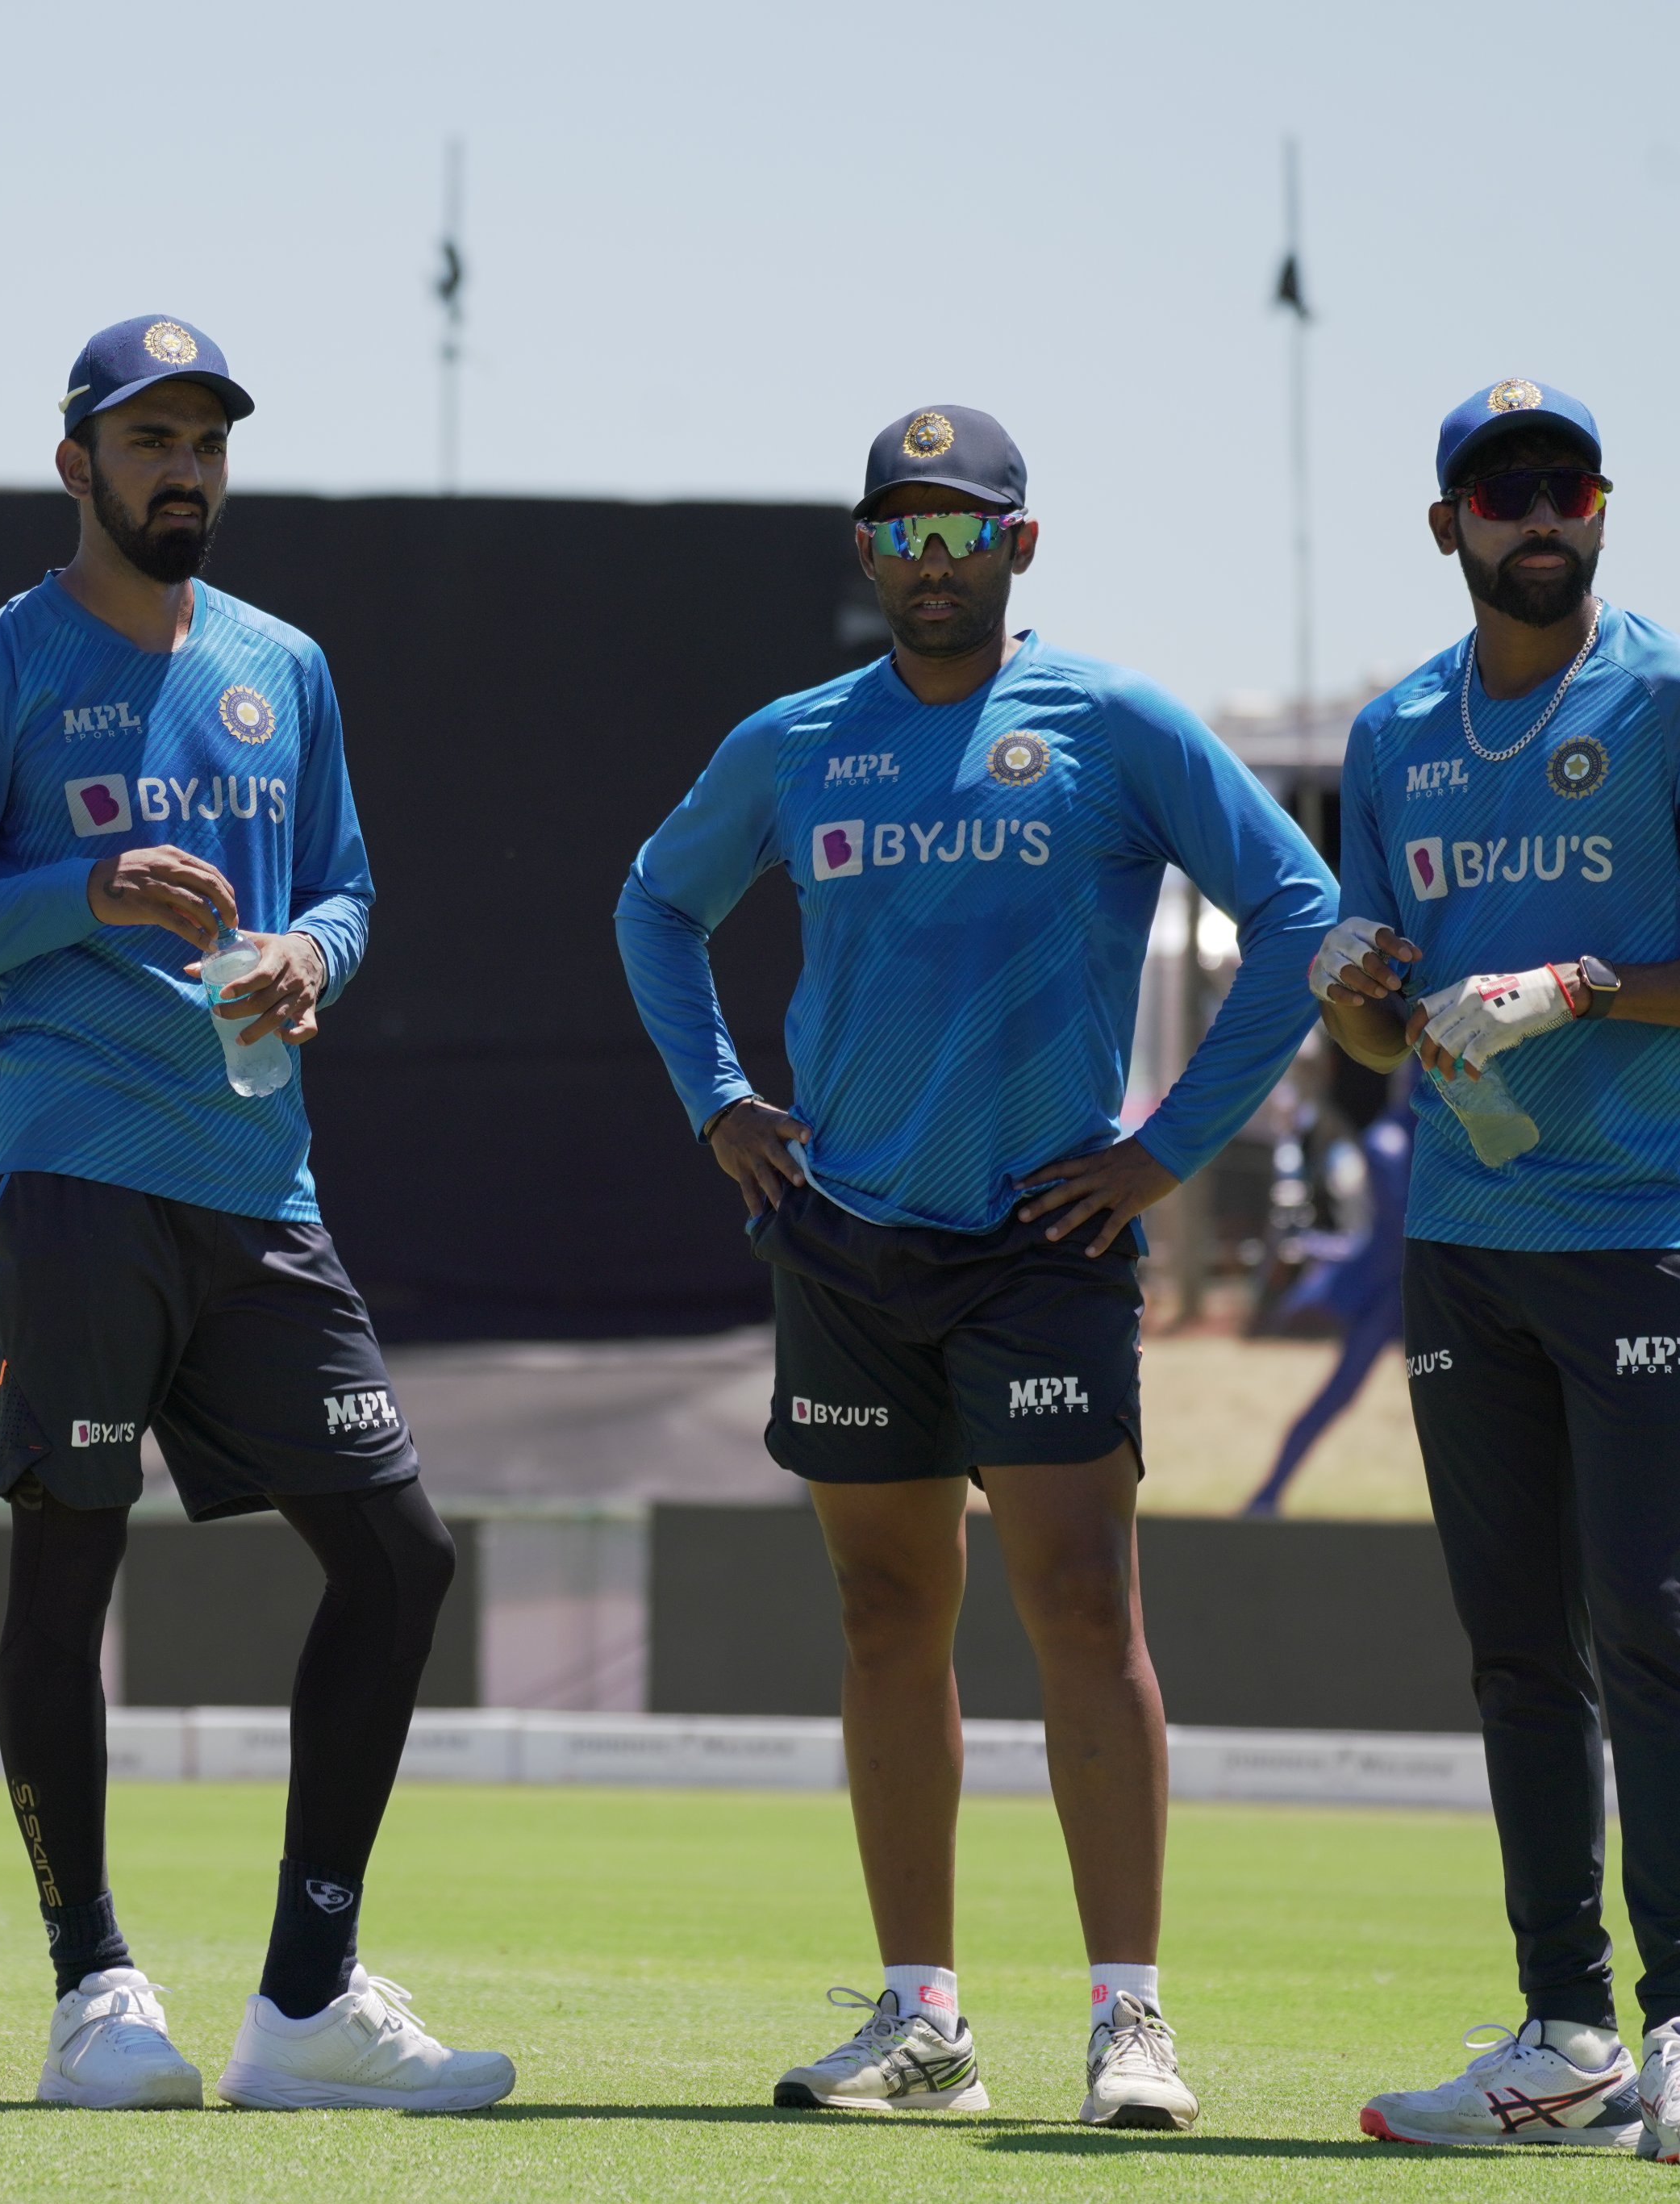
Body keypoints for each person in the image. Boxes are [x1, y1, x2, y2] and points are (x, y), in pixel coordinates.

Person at [615, 404, 1335, 2131]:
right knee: (884, 1617)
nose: (931, 559)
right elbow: (655, 904)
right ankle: (922, 2019)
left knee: (1081, 1605)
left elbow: (1298, 909)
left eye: (964, 530)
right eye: (901, 529)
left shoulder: (1108, 721)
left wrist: (1167, 1148)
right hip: (845, 1237)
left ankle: (1128, 2019)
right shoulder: (795, 741)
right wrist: (717, 1102)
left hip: (1041, 1242)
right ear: (864, 553)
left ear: (1019, 548)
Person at [0, 316, 514, 2114]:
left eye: (206, 440)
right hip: (63, 1163)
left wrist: (314, 951)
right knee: (70, 1548)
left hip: (257, 1182)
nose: (184, 469)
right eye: (149, 439)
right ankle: (93, 1993)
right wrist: (81, 888)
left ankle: (301, 2005)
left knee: (399, 1557)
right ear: (75, 465)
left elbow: (354, 885)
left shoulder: (281, 666)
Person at [1321, 380, 1680, 2186]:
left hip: (1641, 1235)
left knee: (1644, 1630)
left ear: (1598, 510)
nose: (1536, 515)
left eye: (1562, 486)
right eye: (1497, 491)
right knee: (1518, 1653)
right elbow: (1375, 1033)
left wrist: (1592, 982)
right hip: (1465, 1251)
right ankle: (1563, 2032)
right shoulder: (1389, 735)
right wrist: (1358, 993)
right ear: (1443, 526)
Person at [1241, 1087, 1413, 1517]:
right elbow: (1396, 1234)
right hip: (1391, 1297)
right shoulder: (1386, 1144)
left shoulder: (1416, 1138)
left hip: (1420, 1291)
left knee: (1464, 1405)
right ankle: (1267, 1495)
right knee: (1336, 1396)